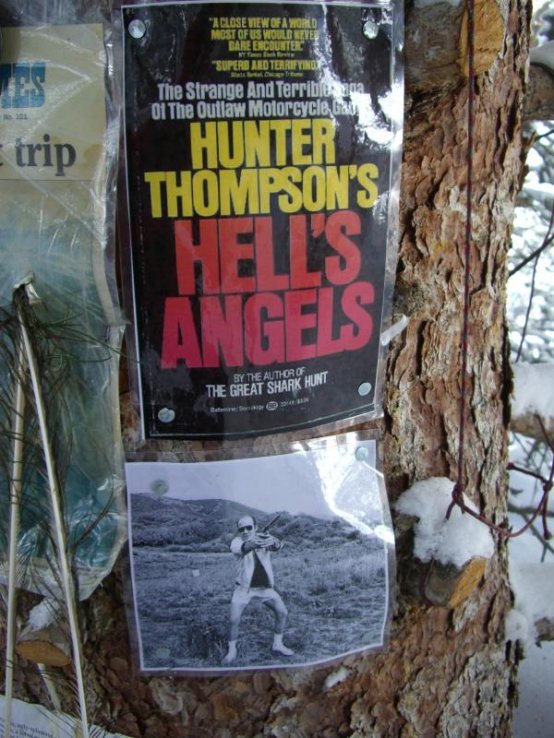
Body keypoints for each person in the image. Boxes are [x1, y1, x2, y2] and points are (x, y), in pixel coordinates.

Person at [223, 514, 294, 664]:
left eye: (249, 528)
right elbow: (246, 547)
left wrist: (271, 540)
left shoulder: (263, 538)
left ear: (255, 528)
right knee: (233, 619)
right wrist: (256, 541)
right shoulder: (236, 542)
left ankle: (277, 645)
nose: (245, 531)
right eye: (241, 529)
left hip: (264, 588)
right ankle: (232, 651)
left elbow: (277, 546)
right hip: (243, 589)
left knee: (282, 612)